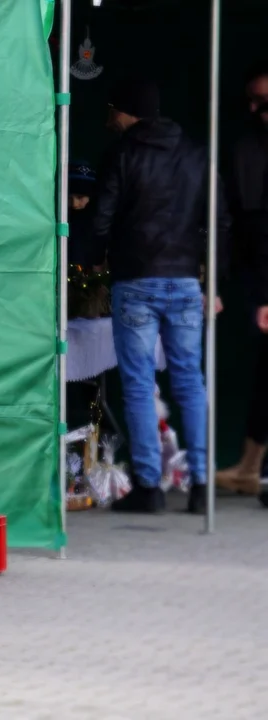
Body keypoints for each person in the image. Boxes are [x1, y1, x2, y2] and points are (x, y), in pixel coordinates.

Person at [91, 75, 231, 515]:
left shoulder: (122, 153)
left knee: (137, 385)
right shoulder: (196, 155)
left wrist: (96, 259)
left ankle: (149, 487)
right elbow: (220, 222)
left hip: (135, 280)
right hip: (187, 280)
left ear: (126, 111)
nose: (109, 117)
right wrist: (213, 282)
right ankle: (201, 484)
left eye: (113, 109)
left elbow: (100, 218)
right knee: (191, 381)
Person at [216, 62, 268, 497]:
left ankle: (253, 468)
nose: (255, 109)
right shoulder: (249, 147)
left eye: (262, 102)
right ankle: (251, 467)